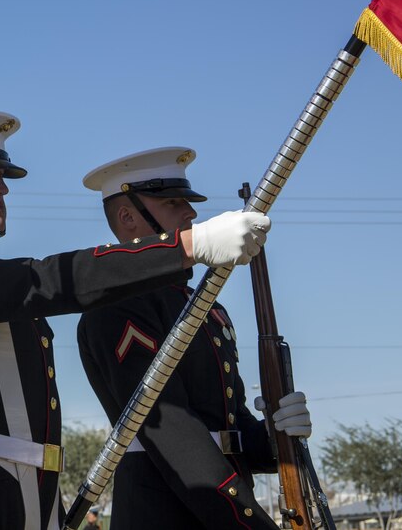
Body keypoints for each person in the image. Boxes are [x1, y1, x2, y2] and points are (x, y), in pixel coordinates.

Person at [0, 114, 274, 530]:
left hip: (28, 489)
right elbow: (49, 280)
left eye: (0, 174)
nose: (2, 186)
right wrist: (186, 248)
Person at [77, 147, 313, 529]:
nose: (190, 213)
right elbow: (172, 434)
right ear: (127, 217)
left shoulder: (205, 308)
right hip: (165, 512)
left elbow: (226, 425)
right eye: (173, 203)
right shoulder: (118, 306)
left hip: (221, 506)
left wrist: (273, 437)